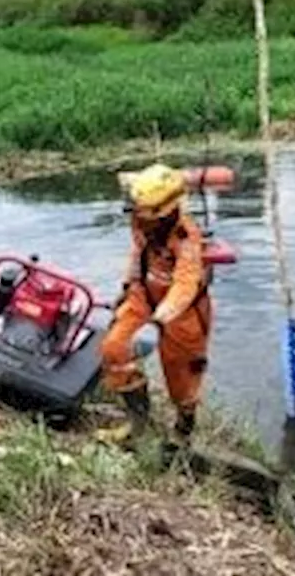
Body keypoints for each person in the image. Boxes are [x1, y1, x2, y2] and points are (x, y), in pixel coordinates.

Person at [98, 163, 215, 444]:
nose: (138, 218)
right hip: (143, 295)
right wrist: (127, 288)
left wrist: (157, 322)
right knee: (114, 348)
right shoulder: (142, 219)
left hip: (182, 312)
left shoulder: (186, 237)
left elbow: (185, 285)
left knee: (182, 379)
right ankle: (138, 421)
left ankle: (183, 432)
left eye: (143, 212)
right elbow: (137, 254)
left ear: (164, 213)